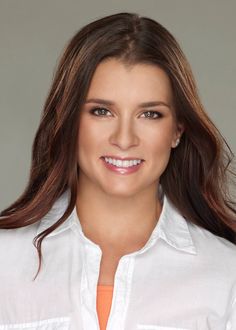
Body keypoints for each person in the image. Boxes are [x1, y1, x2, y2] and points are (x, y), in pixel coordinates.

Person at [0, 12, 235, 330]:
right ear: (70, 121)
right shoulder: (5, 260)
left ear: (177, 130)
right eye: (101, 111)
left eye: (150, 114)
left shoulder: (226, 274)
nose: (124, 139)